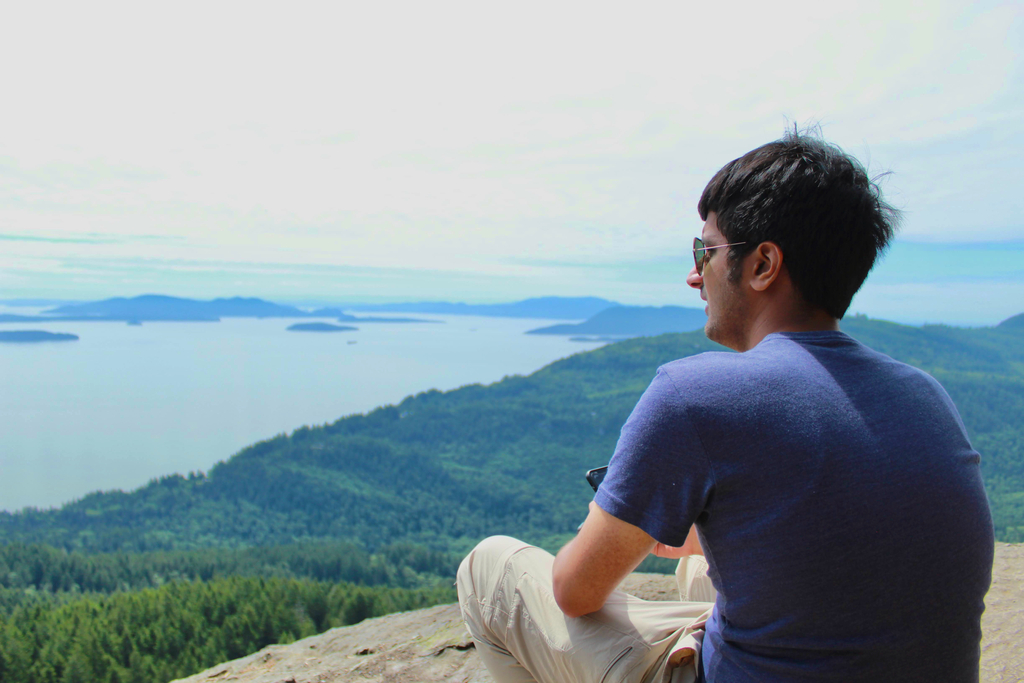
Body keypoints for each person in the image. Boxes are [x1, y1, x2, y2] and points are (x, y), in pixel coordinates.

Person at [456, 130, 994, 683]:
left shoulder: (693, 395)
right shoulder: (925, 395)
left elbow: (574, 591)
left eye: (704, 250)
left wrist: (606, 522)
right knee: (696, 563)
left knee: (488, 569)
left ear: (763, 264)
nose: (695, 275)